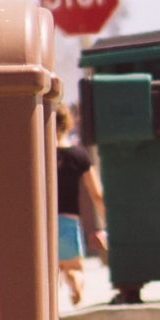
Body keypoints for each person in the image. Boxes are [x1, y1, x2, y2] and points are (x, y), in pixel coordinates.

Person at [54, 109, 106, 305]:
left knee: (50, 271)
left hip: (43, 222)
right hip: (69, 221)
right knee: (74, 267)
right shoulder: (78, 155)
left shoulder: (39, 154)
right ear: (68, 124)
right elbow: (96, 193)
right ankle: (74, 282)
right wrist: (106, 220)